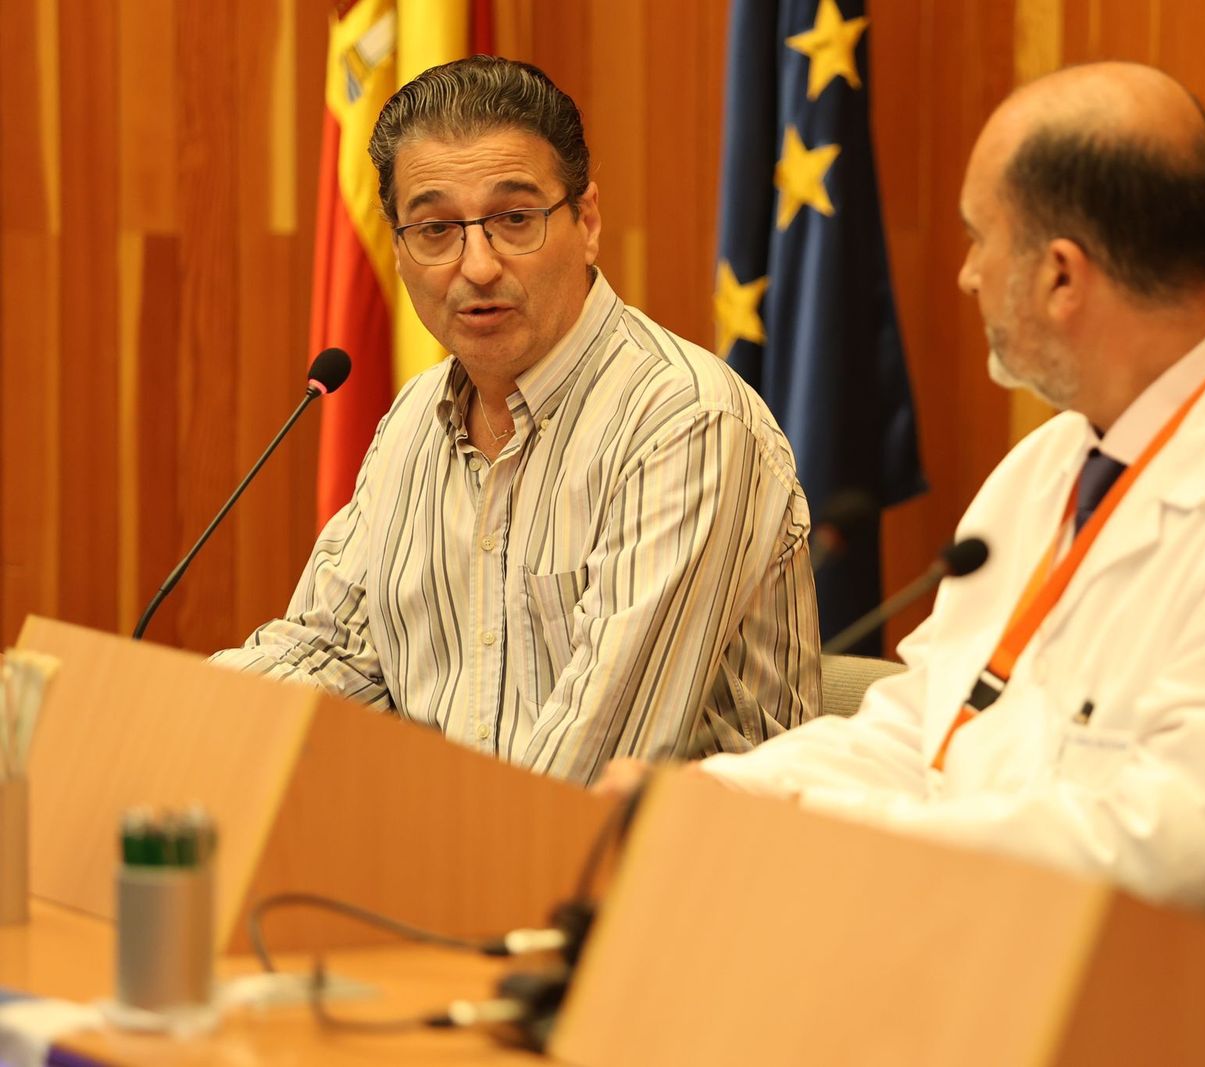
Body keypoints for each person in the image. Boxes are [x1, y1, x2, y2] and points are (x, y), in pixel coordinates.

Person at [601, 62, 1205, 935]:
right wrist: (718, 794)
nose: (968, 275)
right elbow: (927, 724)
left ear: (1062, 276)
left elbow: (1193, 846)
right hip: (965, 943)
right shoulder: (1051, 461)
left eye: (981, 238)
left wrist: (826, 836)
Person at [213, 57, 820, 784]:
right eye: (435, 228)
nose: (477, 265)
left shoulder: (684, 423)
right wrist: (166, 718)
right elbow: (331, 652)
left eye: (514, 219)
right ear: (399, 248)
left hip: (670, 881)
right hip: (466, 858)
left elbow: (587, 765)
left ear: (586, 221)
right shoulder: (414, 420)